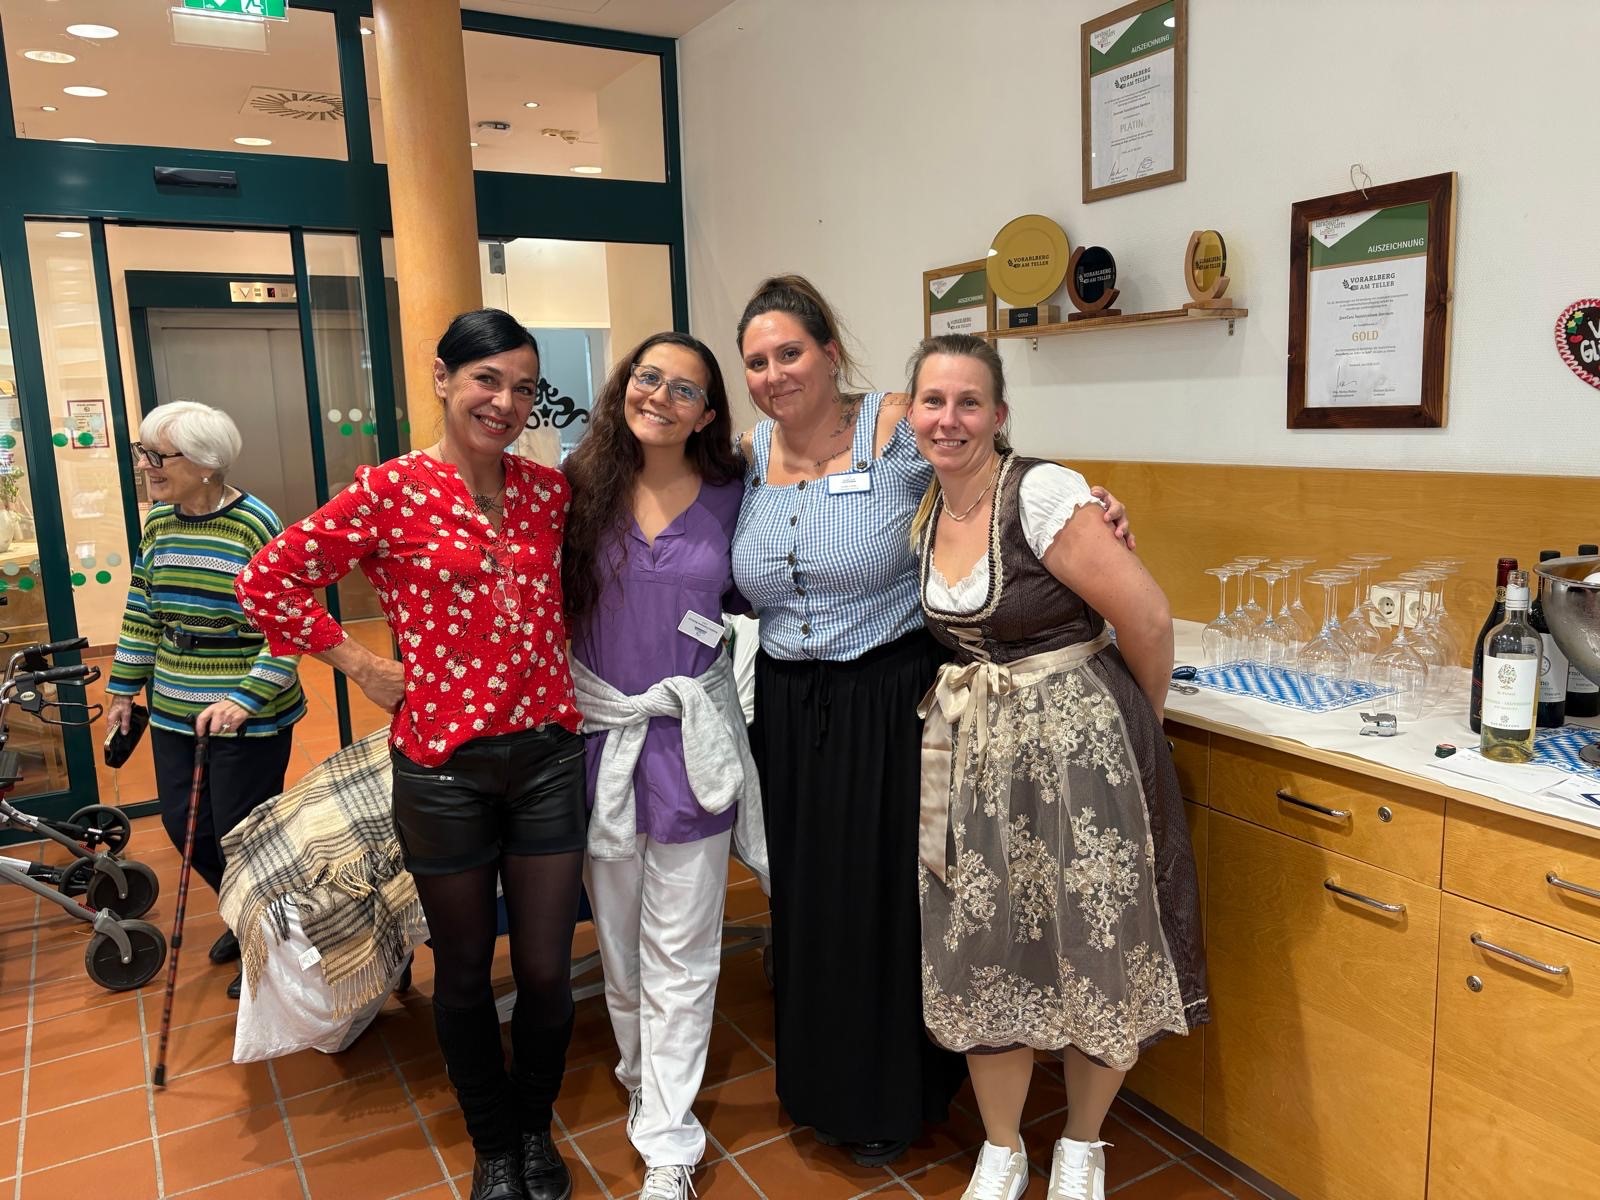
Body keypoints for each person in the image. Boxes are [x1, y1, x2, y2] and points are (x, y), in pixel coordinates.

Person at [729, 276, 1133, 1166]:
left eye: (790, 353)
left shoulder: (897, 429)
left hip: (893, 704)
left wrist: (1092, 504)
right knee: (808, 903)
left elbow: (990, 473)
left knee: (893, 901)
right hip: (790, 711)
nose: (773, 374)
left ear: (830, 352)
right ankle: (820, 1085)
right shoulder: (744, 455)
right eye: (756, 361)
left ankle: (896, 1093)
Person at [236, 309, 584, 1200]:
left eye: (522, 387)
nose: (504, 402)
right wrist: (359, 664)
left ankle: (535, 1129)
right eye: (486, 380)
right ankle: (493, 1146)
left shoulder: (549, 493)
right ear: (442, 379)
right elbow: (266, 579)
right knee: (462, 971)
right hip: (442, 770)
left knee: (547, 970)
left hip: (548, 757)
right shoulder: (389, 490)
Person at [906, 334, 1208, 1200]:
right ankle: (1002, 1148)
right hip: (976, 752)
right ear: (912, 413)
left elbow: (1147, 618)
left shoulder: (1039, 492)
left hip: (1080, 752)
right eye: (933, 401)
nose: (950, 419)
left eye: (970, 402)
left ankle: (1081, 1145)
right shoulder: (926, 503)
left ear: (1000, 414)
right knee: (983, 941)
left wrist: (1140, 731)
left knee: (1095, 938)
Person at [562, 332, 761, 1200]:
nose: (663, 398)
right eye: (650, 378)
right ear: (624, 386)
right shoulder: (573, 489)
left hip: (689, 746)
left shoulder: (736, 497)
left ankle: (670, 1139)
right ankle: (645, 1076)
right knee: (620, 948)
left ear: (709, 414)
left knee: (684, 950)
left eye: (687, 390)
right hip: (598, 741)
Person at [105, 401, 305, 1001]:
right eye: (143, 453)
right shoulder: (158, 524)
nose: (146, 466)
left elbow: (291, 625)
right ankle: (248, 917)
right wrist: (124, 685)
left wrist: (247, 697)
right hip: (175, 702)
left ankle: (270, 938)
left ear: (206, 463)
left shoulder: (255, 526)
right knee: (184, 825)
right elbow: (143, 605)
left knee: (241, 834)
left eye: (157, 456)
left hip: (247, 712)